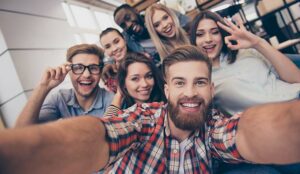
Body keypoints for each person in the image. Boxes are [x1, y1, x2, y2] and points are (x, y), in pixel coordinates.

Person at [1, 45, 300, 174]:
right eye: (180, 83)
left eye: (200, 83)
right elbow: (101, 134)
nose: (191, 92)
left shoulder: (213, 125)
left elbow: (248, 132)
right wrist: (17, 153)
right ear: (167, 89)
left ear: (212, 88)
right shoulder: (142, 116)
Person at [189, 10, 300, 115]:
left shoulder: (248, 52)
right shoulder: (202, 79)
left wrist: (258, 43)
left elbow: (296, 78)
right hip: (279, 120)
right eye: (200, 34)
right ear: (194, 40)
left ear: (222, 35)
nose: (208, 39)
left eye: (215, 32)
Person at [15, 44, 114, 127]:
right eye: (78, 68)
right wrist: (43, 87)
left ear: (100, 72)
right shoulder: (60, 98)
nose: (86, 75)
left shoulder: (112, 100)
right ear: (68, 70)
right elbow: (22, 131)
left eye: (93, 68)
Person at [113, 4, 190, 64]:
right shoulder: (128, 39)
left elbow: (189, 25)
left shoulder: (159, 15)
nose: (128, 24)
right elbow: (113, 48)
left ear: (136, 11)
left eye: (128, 17)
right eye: (123, 25)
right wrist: (109, 63)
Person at [104, 52, 166, 117]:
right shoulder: (124, 112)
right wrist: (118, 95)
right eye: (135, 79)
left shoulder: (165, 105)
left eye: (149, 76)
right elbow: (107, 124)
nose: (144, 84)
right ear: (123, 83)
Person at [100, 27, 130, 93]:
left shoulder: (143, 59)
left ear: (124, 39)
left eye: (116, 42)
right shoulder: (108, 74)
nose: (114, 49)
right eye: (108, 47)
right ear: (105, 51)